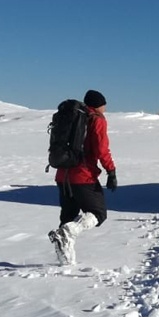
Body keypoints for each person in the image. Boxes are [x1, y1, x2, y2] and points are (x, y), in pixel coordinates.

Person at [48, 90, 117, 265]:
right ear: (99, 104)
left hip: (63, 174)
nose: (106, 107)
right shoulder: (96, 119)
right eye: (104, 104)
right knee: (97, 213)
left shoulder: (73, 117)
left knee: (68, 216)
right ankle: (70, 231)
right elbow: (102, 149)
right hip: (83, 176)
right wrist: (111, 171)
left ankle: (66, 262)